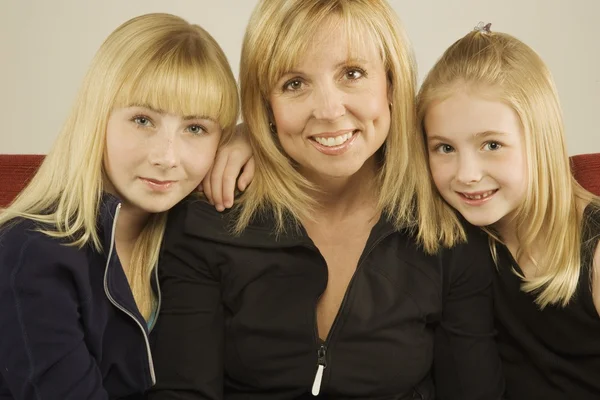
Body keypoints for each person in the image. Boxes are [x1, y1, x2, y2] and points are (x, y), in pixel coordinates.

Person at [148, 1, 505, 399]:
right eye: (294, 84)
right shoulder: (211, 218)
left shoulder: (446, 224)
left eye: (352, 74)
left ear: (391, 84)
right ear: (266, 104)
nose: (330, 110)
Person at [0, 13, 238, 399]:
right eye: (143, 120)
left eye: (196, 128)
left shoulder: (192, 232)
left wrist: (252, 143)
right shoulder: (29, 252)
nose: (167, 157)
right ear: (97, 119)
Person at [418, 22, 600, 400]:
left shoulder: (596, 254)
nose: (467, 175)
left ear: (541, 138)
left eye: (491, 145)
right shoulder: (463, 232)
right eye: (445, 148)